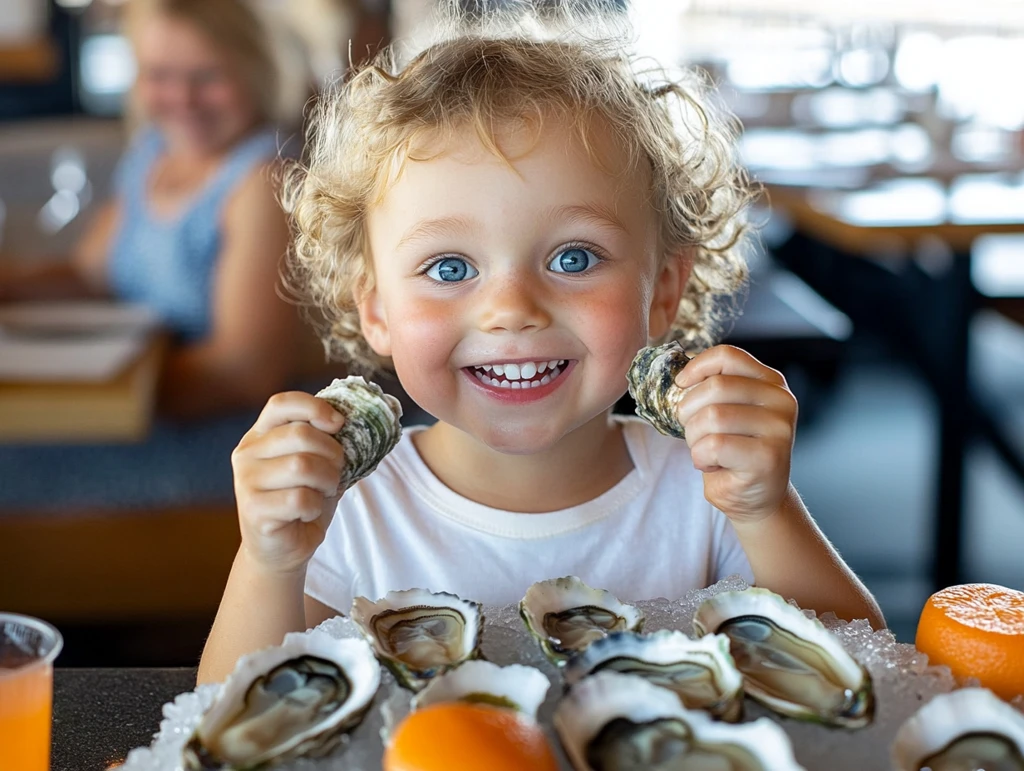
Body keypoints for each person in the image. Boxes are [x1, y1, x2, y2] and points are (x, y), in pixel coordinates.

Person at [198, 4, 884, 684]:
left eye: (575, 258)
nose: (510, 309)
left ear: (663, 290)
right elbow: (226, 712)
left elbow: (872, 676)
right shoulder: (349, 506)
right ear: (376, 309)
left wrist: (768, 509)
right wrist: (268, 560)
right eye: (449, 268)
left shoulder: (709, 491)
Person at [0, 0, 305, 419]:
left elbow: (245, 372)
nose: (183, 98)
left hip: (212, 438)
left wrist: (102, 386)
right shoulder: (153, 154)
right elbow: (90, 276)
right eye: (160, 75)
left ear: (254, 71)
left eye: (207, 76)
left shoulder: (263, 181)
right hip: (134, 420)